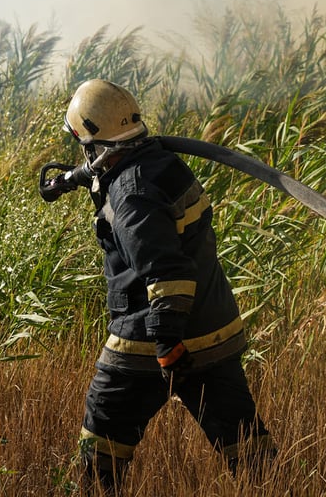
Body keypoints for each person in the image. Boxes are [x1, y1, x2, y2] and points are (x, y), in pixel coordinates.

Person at [62, 79, 276, 494]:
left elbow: (166, 272)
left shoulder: (131, 194)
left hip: (151, 339)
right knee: (246, 446)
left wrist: (166, 346)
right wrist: (71, 180)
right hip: (211, 330)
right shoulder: (161, 163)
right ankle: (272, 487)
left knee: (102, 437)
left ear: (94, 143)